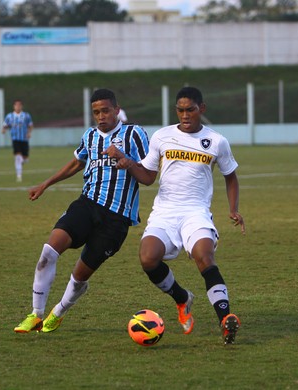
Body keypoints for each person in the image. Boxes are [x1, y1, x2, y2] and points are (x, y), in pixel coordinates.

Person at [105, 86, 244, 345]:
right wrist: (127, 162)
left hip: (196, 213)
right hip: (165, 213)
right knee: (148, 259)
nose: (184, 114)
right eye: (180, 110)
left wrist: (233, 209)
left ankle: (225, 319)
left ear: (201, 109)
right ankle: (182, 298)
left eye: (190, 109)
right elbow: (147, 177)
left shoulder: (216, 141)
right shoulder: (162, 137)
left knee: (205, 256)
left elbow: (231, 176)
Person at [13, 89, 150, 334]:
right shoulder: (90, 137)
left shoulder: (134, 134)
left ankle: (58, 312)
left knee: (79, 277)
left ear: (117, 110)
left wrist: (125, 159)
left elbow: (149, 174)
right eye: (96, 112)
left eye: (106, 110)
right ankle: (35, 314)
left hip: (116, 220)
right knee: (48, 252)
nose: (101, 116)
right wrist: (45, 184)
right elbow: (77, 163)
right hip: (87, 205)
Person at [2, 100, 34, 182]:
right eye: (16, 105)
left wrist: (29, 133)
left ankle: (20, 162)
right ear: (14, 106)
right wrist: (4, 129)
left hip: (24, 139)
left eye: (19, 105)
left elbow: (30, 125)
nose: (18, 107)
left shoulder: (26, 115)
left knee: (25, 159)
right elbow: (5, 125)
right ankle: (19, 176)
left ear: (21, 106)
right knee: (18, 157)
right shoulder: (9, 116)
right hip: (15, 139)